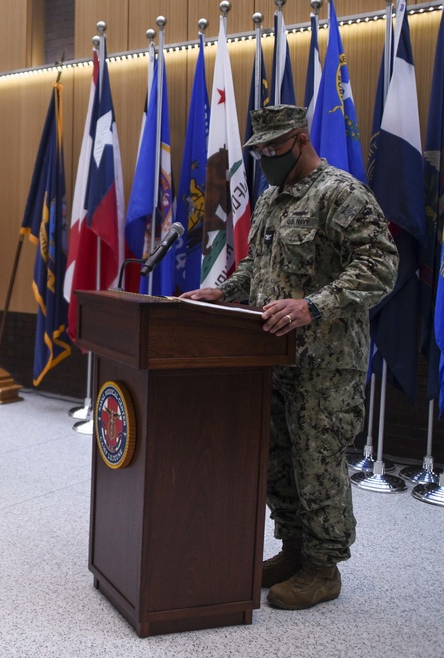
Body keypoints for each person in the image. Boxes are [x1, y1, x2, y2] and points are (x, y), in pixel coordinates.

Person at [181, 105, 398, 610]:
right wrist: (227, 290)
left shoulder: (340, 193)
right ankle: (293, 548)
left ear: (300, 139)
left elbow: (382, 264)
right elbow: (260, 264)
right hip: (271, 355)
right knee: (277, 459)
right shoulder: (272, 199)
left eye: (274, 148)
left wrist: (312, 306)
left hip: (325, 362)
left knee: (316, 462)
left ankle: (323, 568)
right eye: (258, 150)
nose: (266, 158)